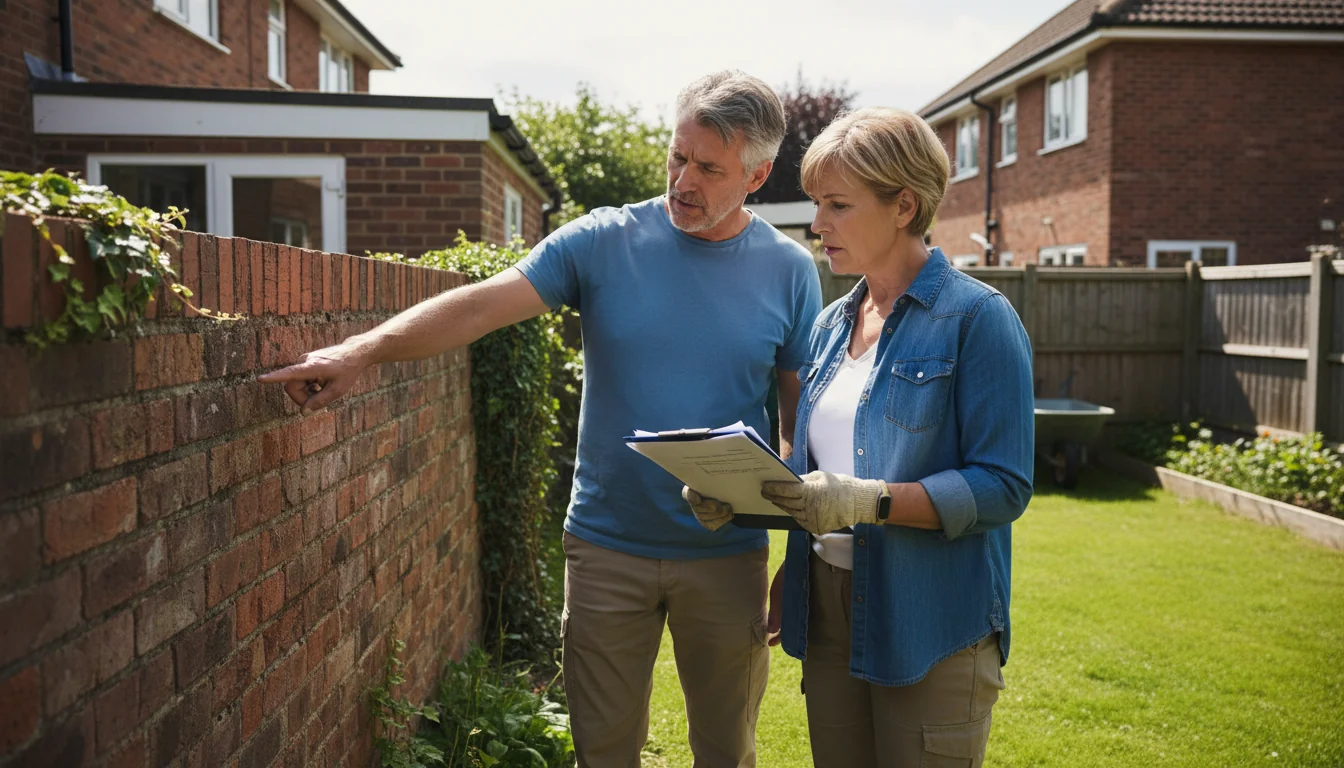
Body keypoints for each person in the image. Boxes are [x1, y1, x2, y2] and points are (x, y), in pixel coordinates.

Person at [260, 70, 822, 768]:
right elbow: (482, 303)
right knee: (602, 750)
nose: (684, 180)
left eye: (710, 168)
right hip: (606, 547)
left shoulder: (790, 271)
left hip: (727, 558)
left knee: (724, 750)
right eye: (678, 156)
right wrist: (366, 349)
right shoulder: (602, 241)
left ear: (759, 174)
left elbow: (802, 425)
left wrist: (796, 554)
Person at [684, 107, 1034, 768]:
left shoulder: (979, 319)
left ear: (904, 205)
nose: (818, 226)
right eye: (818, 204)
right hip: (828, 606)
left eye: (837, 205)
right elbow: (815, 473)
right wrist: (736, 497)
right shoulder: (827, 326)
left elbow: (1004, 485)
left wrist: (869, 501)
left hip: (930, 613)